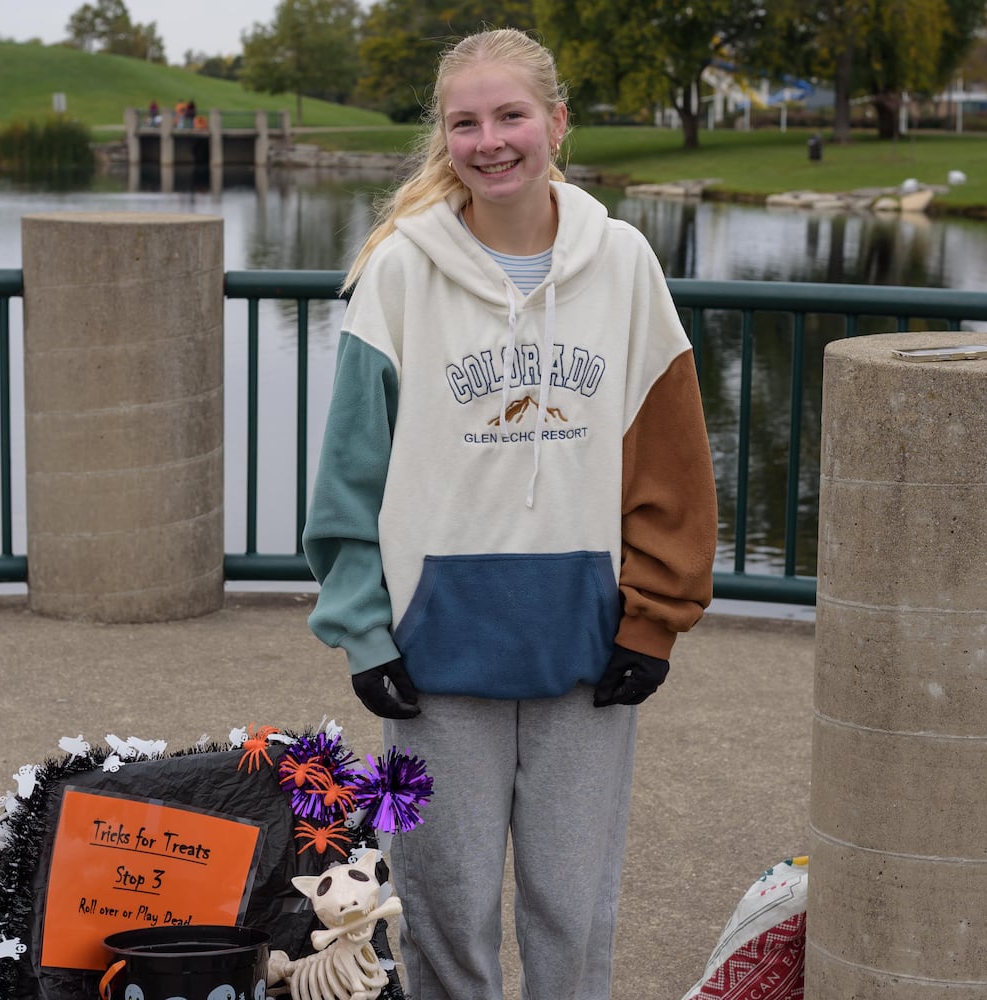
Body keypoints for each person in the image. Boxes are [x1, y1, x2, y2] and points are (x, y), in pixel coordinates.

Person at [301, 27, 717, 1000]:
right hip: (431, 665)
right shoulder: (399, 272)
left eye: (511, 115)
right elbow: (349, 476)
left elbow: (673, 465)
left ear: (556, 123)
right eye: (465, 123)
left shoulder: (624, 264)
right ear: (444, 136)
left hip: (587, 653)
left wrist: (652, 620)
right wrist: (364, 632)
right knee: (442, 913)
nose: (489, 142)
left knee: (574, 915)